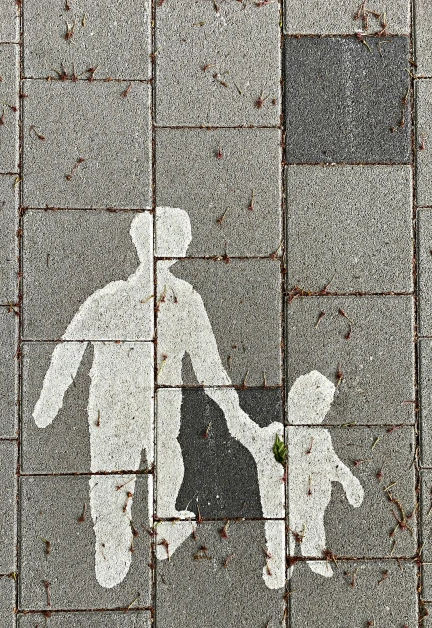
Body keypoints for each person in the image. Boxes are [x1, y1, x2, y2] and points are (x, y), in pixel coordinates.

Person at [33, 208, 285, 590]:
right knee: (157, 467)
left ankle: (122, 543)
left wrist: (50, 400)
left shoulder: (112, 298)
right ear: (176, 251)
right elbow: (209, 369)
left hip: (118, 407)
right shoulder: (184, 300)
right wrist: (234, 415)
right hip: (150, 408)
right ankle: (152, 528)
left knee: (120, 474)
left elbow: (70, 348)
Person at [286, 371, 365, 577]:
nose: (324, 412)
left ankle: (309, 555)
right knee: (298, 528)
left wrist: (348, 480)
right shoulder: (292, 435)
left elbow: (332, 463)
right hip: (299, 496)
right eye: (321, 406)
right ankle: (292, 558)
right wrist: (347, 479)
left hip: (315, 501)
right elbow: (329, 464)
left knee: (312, 528)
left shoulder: (321, 435)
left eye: (325, 407)